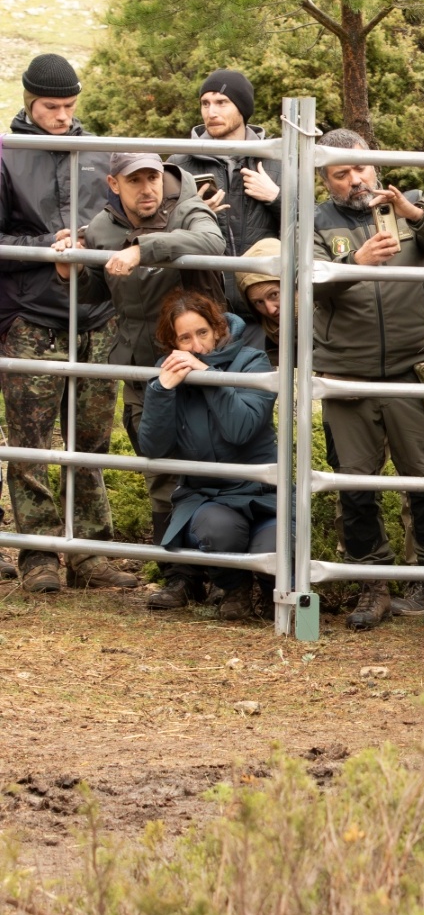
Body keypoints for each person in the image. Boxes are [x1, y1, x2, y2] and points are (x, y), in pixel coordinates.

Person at [311, 128, 424, 631]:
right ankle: (371, 586)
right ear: (326, 180)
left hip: (412, 369)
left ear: (375, 165)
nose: (355, 180)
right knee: (355, 486)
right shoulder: (314, 222)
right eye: (342, 173)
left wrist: (414, 213)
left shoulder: (412, 206)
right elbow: (306, 280)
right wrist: (353, 264)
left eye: (361, 168)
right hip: (346, 374)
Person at [0, 54, 138, 594]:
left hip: (96, 315)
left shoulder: (100, 153)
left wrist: (92, 245)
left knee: (92, 442)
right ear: (29, 102)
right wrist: (46, 250)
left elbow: (123, 218)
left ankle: (90, 552)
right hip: (33, 316)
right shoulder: (8, 156)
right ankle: (37, 557)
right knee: (29, 440)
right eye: (51, 107)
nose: (62, 116)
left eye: (70, 107)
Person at [79, 151, 227, 608]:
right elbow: (92, 292)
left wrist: (145, 249)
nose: (148, 189)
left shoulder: (189, 208)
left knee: (218, 462)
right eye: (135, 180)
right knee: (159, 467)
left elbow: (212, 244)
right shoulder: (102, 228)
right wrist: (73, 263)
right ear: (113, 184)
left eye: (153, 178)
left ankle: (227, 573)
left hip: (201, 363)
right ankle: (179, 575)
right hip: (142, 367)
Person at [135, 291, 278, 621]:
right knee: (215, 529)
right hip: (209, 496)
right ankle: (235, 589)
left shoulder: (253, 361)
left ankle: (273, 592)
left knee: (272, 546)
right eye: (185, 338)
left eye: (202, 333)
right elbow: (154, 449)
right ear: (173, 342)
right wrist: (160, 390)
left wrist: (208, 377)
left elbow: (240, 429)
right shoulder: (168, 371)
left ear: (217, 329)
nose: (197, 346)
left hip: (262, 493)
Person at [170, 70, 283, 322]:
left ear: (242, 107)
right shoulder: (180, 162)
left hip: (265, 309)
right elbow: (161, 230)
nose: (211, 112)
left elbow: (306, 227)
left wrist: (276, 198)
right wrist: (192, 212)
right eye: (205, 103)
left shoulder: (276, 160)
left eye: (222, 102)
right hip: (205, 309)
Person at [233, 237, 284, 361]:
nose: (271, 310)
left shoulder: (328, 322)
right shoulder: (272, 335)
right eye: (258, 302)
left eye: (274, 295)